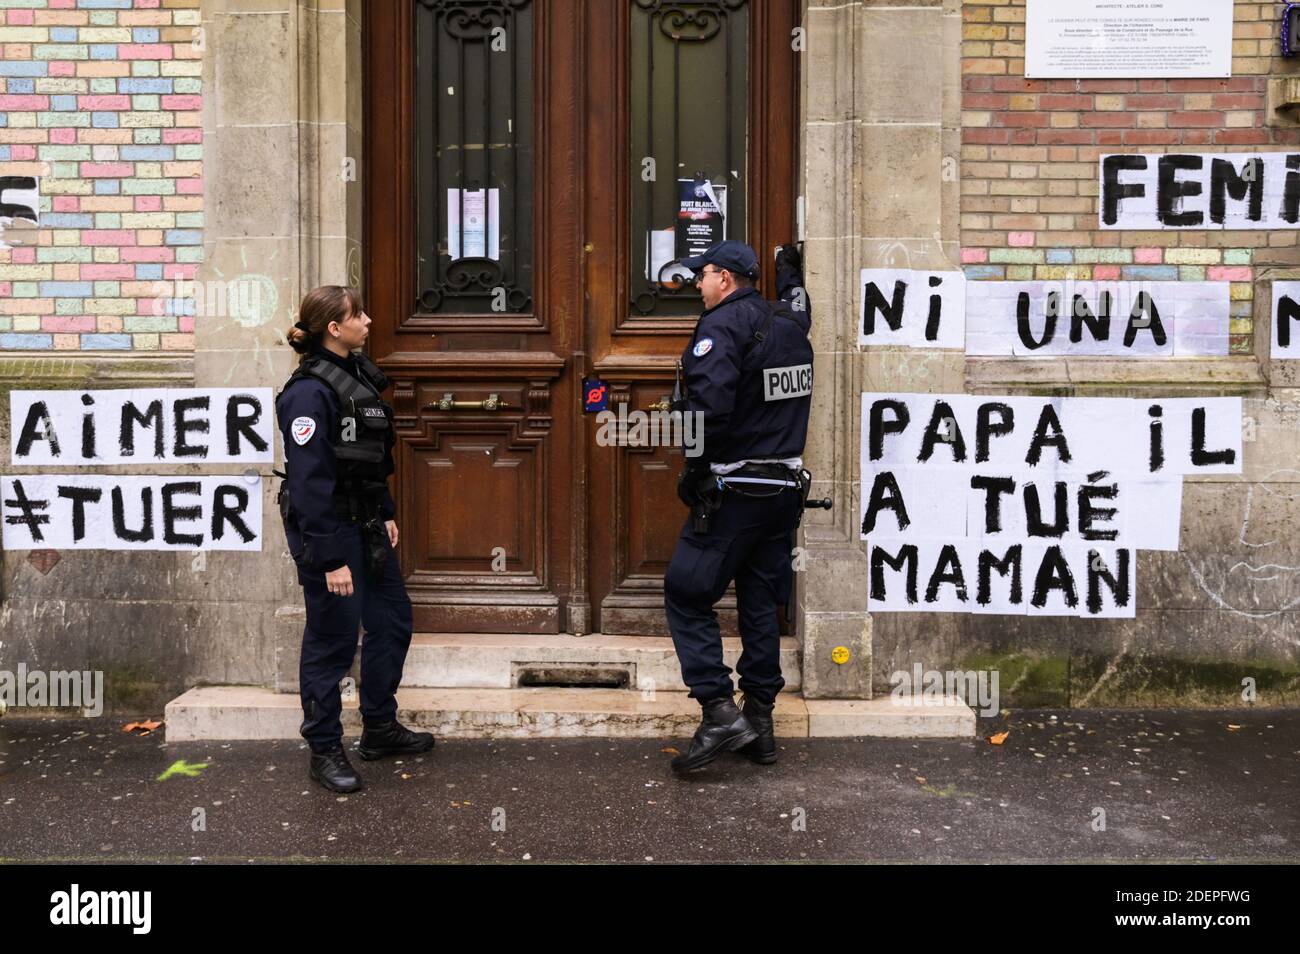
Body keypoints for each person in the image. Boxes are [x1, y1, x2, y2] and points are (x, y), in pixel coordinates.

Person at [275, 285, 434, 794]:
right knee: (332, 643)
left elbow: (368, 459)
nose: (367, 319)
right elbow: (309, 483)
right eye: (356, 314)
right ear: (333, 329)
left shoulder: (356, 374)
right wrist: (329, 560)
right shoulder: (307, 392)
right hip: (332, 536)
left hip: (367, 527)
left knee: (392, 623)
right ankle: (324, 750)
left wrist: (385, 511)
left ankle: (380, 728)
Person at [665, 240, 813, 773]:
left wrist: (695, 469)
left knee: (685, 592)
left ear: (724, 278)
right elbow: (802, 306)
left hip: (736, 490)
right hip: (782, 493)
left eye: (703, 275)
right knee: (758, 602)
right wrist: (790, 273)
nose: (698, 285)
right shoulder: (787, 322)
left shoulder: (721, 327)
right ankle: (762, 725)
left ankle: (718, 709)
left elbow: (708, 409)